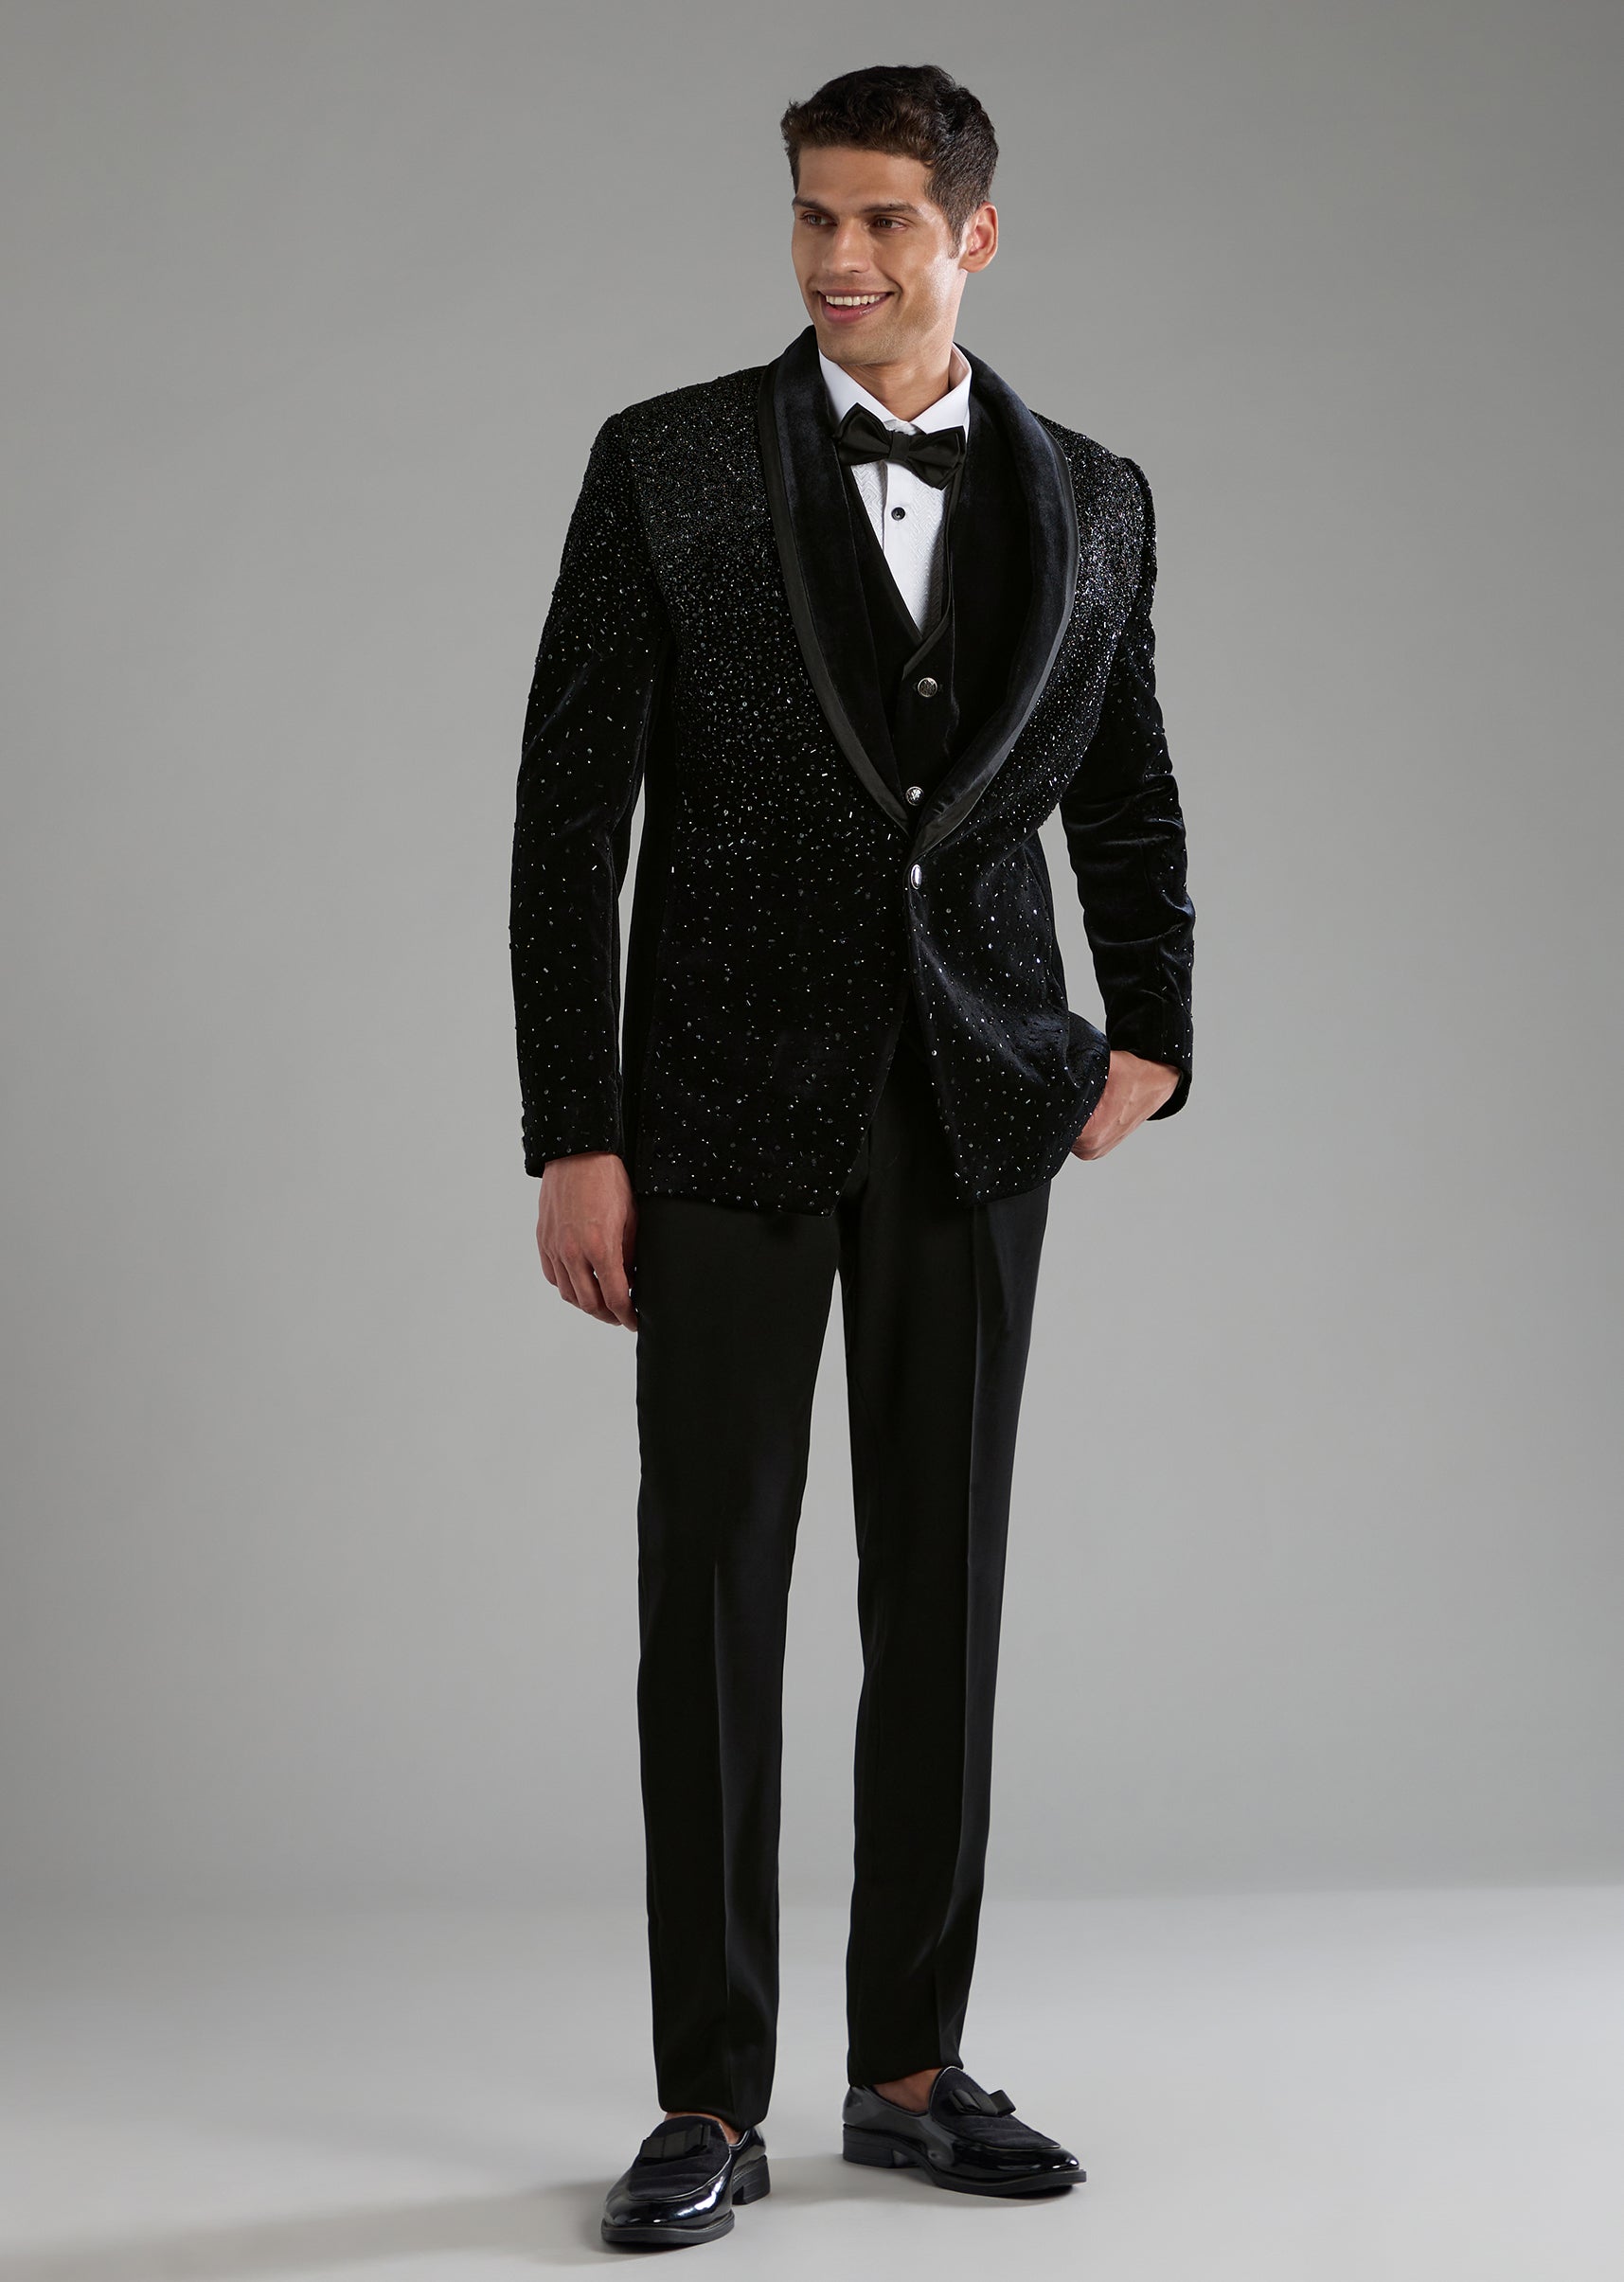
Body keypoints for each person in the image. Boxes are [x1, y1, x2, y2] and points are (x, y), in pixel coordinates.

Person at [509, 61, 1195, 2251]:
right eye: (815, 214)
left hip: (979, 1112)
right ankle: (706, 2097)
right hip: (715, 1111)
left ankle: (909, 2067)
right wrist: (575, 1130)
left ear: (973, 236)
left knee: (944, 1589)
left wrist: (1155, 1025)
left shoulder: (1097, 496)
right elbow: (569, 822)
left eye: (885, 220)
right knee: (708, 1594)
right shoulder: (668, 464)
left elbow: (1128, 786)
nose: (838, 257)